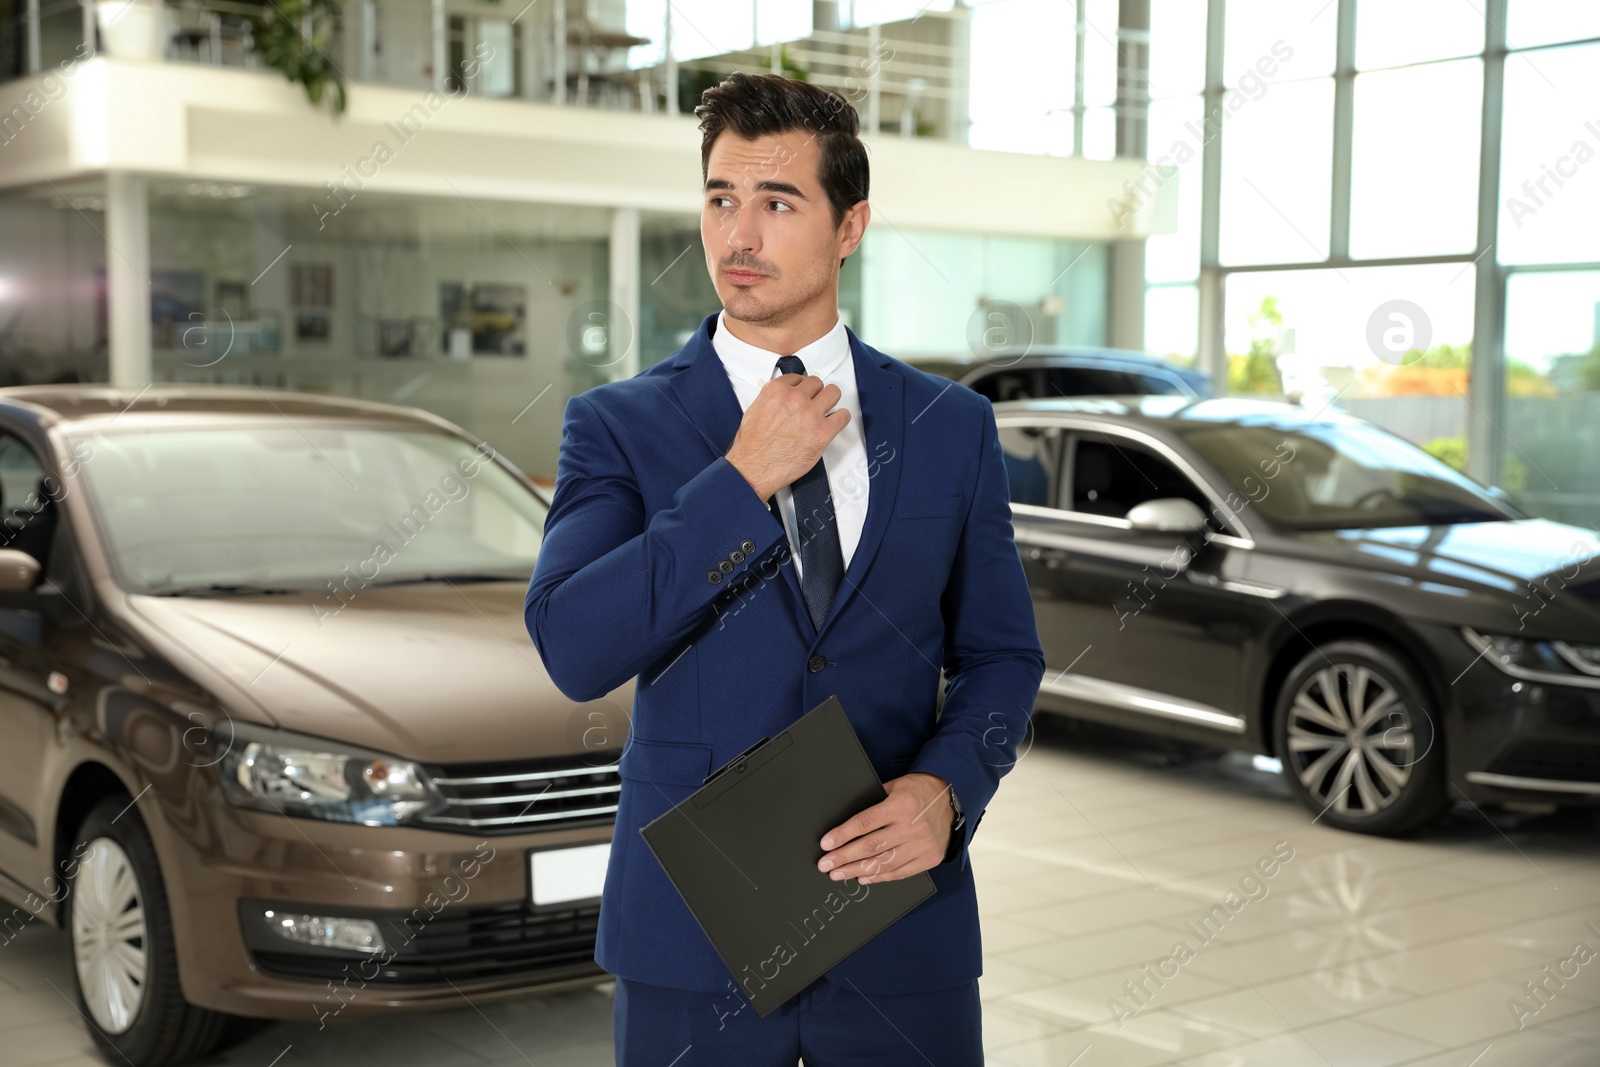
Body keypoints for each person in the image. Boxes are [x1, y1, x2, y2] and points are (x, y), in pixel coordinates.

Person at [524, 71, 1044, 1067]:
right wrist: (739, 478)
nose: (738, 236)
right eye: (721, 198)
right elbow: (574, 644)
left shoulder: (948, 427)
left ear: (849, 227)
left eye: (776, 202)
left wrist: (948, 787)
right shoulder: (617, 425)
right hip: (692, 938)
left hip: (899, 927)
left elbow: (1002, 657)